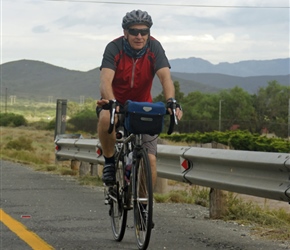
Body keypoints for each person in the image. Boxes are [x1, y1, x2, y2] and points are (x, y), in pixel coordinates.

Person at [97, 9, 183, 188]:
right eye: (134, 31)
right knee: (106, 117)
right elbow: (105, 81)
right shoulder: (114, 48)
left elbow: (165, 78)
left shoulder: (154, 47)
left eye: (144, 32)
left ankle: (143, 207)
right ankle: (110, 163)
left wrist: (171, 102)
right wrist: (112, 101)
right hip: (116, 103)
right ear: (125, 32)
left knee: (150, 159)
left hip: (142, 106)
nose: (139, 36)